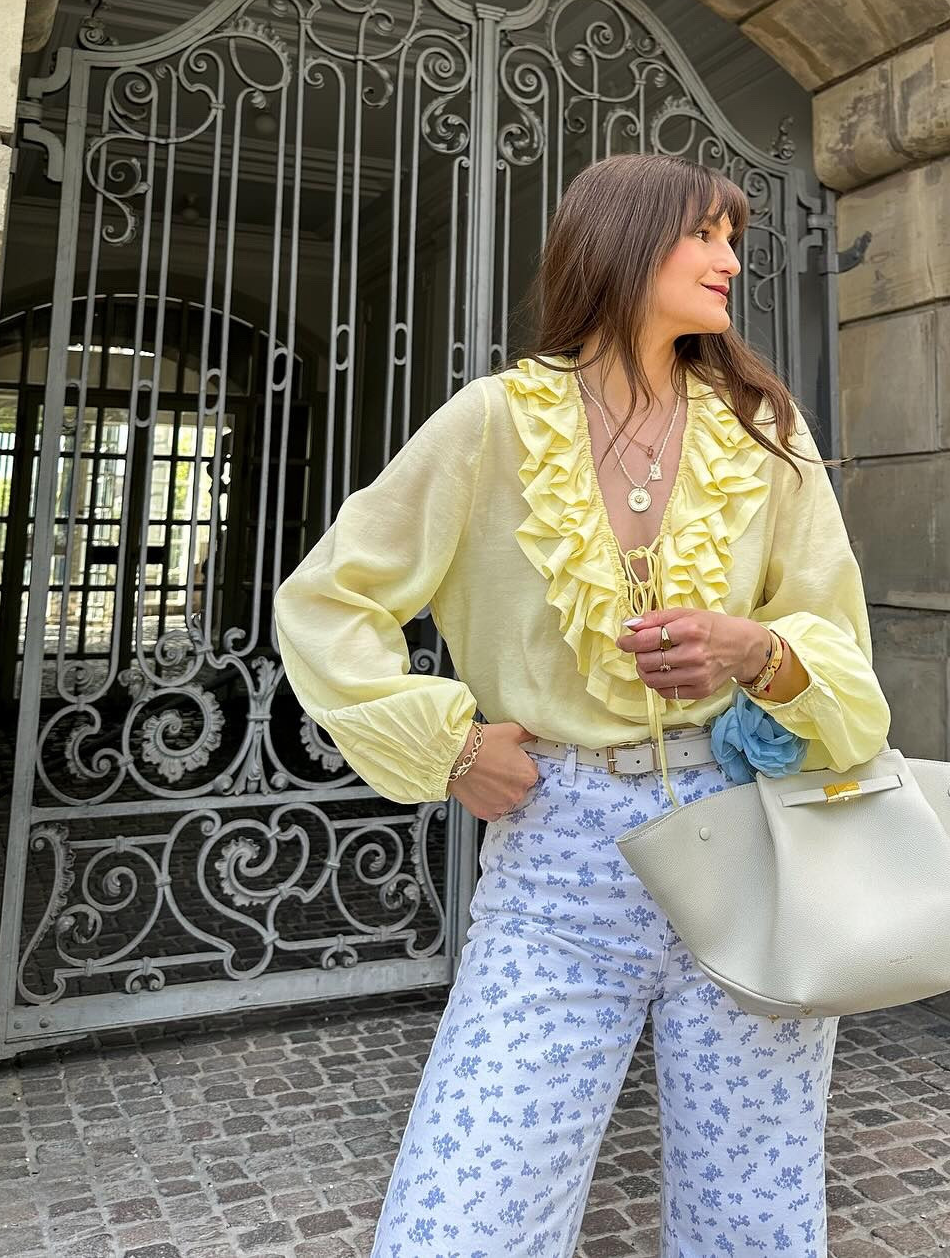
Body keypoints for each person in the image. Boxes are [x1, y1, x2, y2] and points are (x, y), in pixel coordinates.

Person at [273, 152, 891, 1258]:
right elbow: (328, 601)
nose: (729, 258)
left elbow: (838, 639)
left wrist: (757, 651)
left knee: (757, 1211)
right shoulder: (493, 423)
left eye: (734, 237)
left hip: (747, 838)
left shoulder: (764, 426)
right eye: (703, 233)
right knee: (462, 1217)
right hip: (559, 850)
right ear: (621, 241)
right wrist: (450, 746)